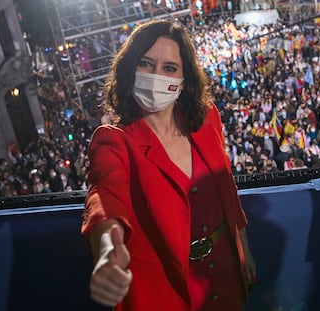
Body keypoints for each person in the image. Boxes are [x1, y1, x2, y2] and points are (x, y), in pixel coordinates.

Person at [81, 20, 256, 310]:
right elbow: (105, 197)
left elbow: (228, 189)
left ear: (184, 78)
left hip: (225, 276)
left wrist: (243, 248)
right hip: (163, 289)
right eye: (146, 64)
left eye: (169, 68)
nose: (156, 76)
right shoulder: (114, 141)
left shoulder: (207, 120)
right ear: (130, 70)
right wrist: (108, 250)